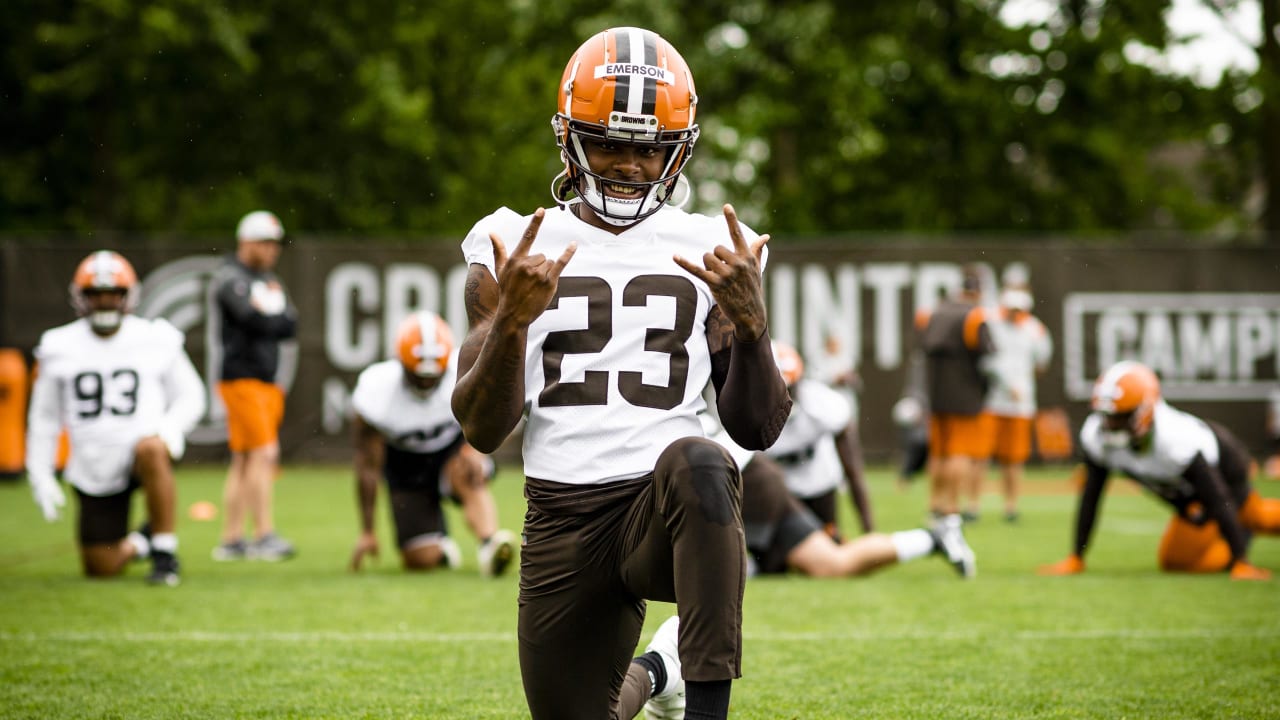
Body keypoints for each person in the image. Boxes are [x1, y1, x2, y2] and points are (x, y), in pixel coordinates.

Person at [450, 27, 791, 720]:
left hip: (660, 513)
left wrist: (754, 332)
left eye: (647, 148)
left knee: (701, 461)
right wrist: (512, 322)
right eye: (608, 142)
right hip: (560, 517)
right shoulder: (512, 240)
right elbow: (483, 429)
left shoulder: (709, 245)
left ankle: (707, 711)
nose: (628, 166)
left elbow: (756, 429)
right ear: (568, 139)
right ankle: (658, 672)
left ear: (677, 151)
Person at [25, 250, 206, 585]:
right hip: (93, 464)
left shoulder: (154, 337)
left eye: (113, 294)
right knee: (101, 567)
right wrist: (41, 474)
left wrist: (166, 431)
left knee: (150, 449)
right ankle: (144, 540)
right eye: (96, 294)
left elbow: (192, 395)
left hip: (143, 453)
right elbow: (45, 419)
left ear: (128, 296)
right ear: (81, 298)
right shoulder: (59, 345)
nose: (105, 302)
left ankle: (165, 554)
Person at [1039, 361, 1279, 581]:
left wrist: (1241, 561)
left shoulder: (1176, 440)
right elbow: (1091, 496)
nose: (1110, 426)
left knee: (1256, 517)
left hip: (1225, 478)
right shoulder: (1097, 436)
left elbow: (1219, 498)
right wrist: (1076, 556)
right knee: (1176, 562)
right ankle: (1238, 536)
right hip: (1189, 501)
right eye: (1107, 417)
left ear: (1144, 411)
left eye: (1120, 418)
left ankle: (1242, 539)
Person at [705, 409, 976, 580]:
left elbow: (852, 470)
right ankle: (930, 539)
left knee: (830, 562)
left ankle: (933, 537)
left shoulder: (822, 407)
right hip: (744, 477)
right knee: (831, 563)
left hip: (750, 482)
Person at [349, 310, 516, 576]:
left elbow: (493, 418)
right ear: (401, 362)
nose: (426, 382)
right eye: (419, 376)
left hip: (453, 452)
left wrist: (474, 449)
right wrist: (368, 531)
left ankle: (489, 544)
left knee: (468, 468)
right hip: (405, 467)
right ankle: (441, 548)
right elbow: (367, 464)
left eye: (433, 376)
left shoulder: (464, 372)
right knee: (420, 560)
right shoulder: (375, 391)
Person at [211, 210, 298, 561]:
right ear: (245, 242)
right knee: (263, 453)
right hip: (242, 377)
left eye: (274, 243)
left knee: (246, 459)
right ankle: (263, 535)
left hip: (264, 379)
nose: (272, 250)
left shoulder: (268, 281)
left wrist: (269, 317)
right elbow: (250, 318)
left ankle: (231, 539)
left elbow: (289, 324)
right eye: (264, 242)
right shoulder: (231, 278)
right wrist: (270, 318)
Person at [914, 264, 995, 540]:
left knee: (939, 453)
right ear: (978, 292)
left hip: (937, 394)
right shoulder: (974, 316)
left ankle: (934, 504)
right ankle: (951, 507)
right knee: (959, 453)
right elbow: (988, 355)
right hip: (965, 396)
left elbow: (922, 347)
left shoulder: (935, 312)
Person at [963, 281, 1052, 523]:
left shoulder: (1035, 330)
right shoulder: (989, 322)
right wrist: (1005, 383)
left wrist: (1020, 384)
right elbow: (983, 360)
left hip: (1020, 406)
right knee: (979, 456)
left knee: (1013, 459)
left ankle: (1011, 507)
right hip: (989, 401)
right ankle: (972, 506)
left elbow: (1041, 361)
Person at [765, 341, 872, 539]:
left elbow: (853, 470)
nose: (784, 398)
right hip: (778, 495)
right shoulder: (744, 414)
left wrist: (869, 531)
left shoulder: (823, 405)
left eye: (789, 388)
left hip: (819, 485)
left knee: (827, 546)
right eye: (775, 390)